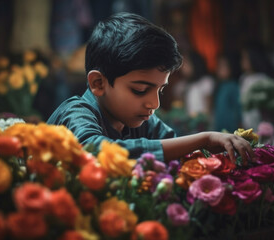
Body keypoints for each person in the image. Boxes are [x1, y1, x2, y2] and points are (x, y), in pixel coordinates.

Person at [47, 12, 253, 163]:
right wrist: (204, 138)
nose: (154, 103)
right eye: (140, 90)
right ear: (98, 83)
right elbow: (96, 150)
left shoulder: (142, 122)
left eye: (160, 90)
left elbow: (175, 150)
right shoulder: (76, 113)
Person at [213, 51, 242, 132]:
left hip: (231, 127)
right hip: (220, 126)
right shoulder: (220, 85)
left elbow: (238, 107)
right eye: (218, 65)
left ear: (231, 67)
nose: (219, 69)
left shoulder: (233, 86)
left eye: (223, 66)